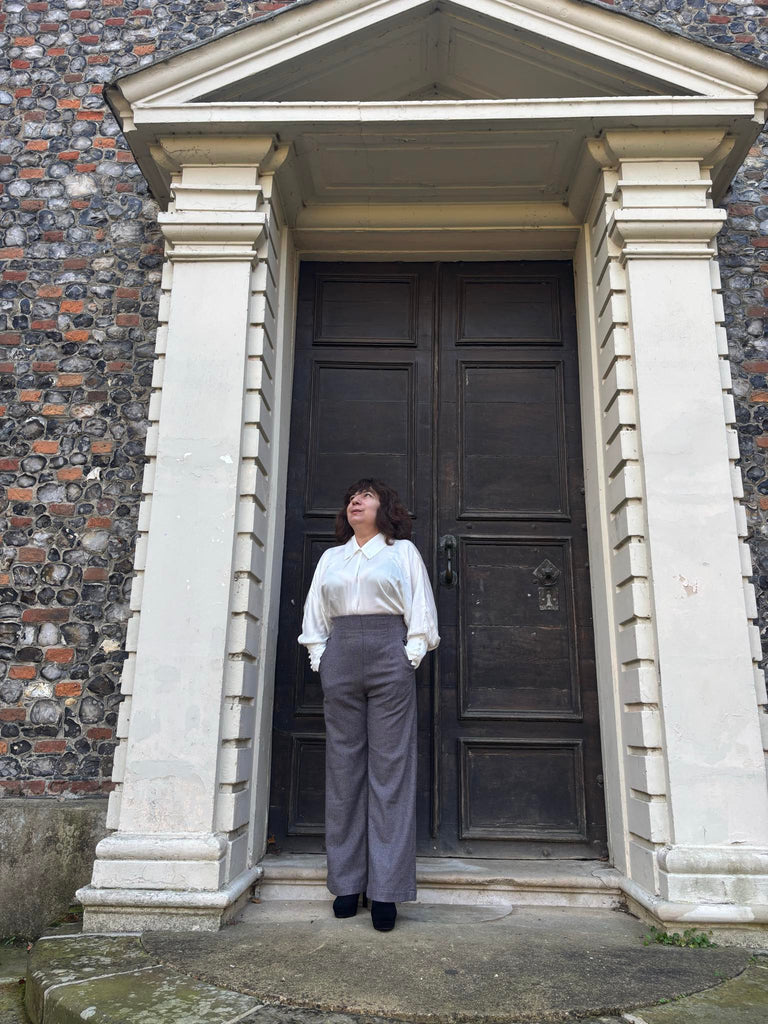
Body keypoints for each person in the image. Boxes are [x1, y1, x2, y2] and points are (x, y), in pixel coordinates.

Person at [298, 478, 440, 932]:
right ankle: (346, 883)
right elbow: (315, 613)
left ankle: (386, 890)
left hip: (388, 653)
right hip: (340, 655)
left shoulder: (402, 553)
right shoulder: (331, 558)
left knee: (390, 771)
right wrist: (321, 657)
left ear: (385, 508)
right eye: (351, 498)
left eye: (366, 496)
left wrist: (409, 655)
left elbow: (421, 607)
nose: (355, 502)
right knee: (343, 770)